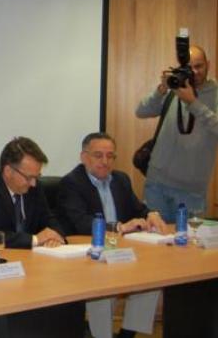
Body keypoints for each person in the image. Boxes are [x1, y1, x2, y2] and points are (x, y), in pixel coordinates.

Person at [57, 133, 167, 338]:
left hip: (119, 252)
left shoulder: (120, 180)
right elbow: (81, 223)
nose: (105, 162)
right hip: (88, 256)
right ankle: (102, 335)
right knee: (104, 290)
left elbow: (138, 209)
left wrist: (151, 214)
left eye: (110, 156)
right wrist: (121, 227)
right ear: (84, 157)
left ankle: (127, 334)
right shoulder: (71, 183)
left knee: (151, 280)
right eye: (98, 155)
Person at [136, 44, 218, 221]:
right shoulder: (175, 88)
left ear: (208, 65)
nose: (194, 72)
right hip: (157, 183)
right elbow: (141, 111)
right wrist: (161, 90)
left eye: (199, 66)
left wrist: (193, 102)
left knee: (187, 245)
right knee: (153, 242)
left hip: (191, 190)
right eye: (190, 67)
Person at [0, 136, 65, 248]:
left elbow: (49, 219)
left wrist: (55, 236)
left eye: (37, 177)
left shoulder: (34, 188)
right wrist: (34, 240)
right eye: (29, 177)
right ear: (8, 171)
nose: (33, 183)